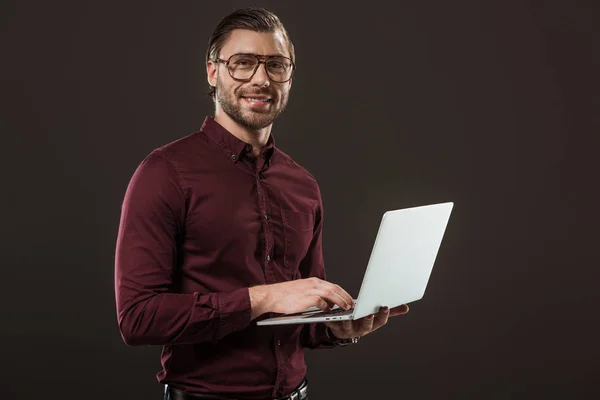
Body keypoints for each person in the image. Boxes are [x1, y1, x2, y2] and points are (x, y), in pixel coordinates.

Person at [114, 7, 409, 400]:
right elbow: (138, 319)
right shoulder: (164, 173)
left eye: (276, 65)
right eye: (243, 63)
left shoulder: (302, 184)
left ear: (290, 76)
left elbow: (303, 316)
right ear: (212, 72)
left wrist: (337, 329)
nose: (260, 79)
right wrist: (263, 297)